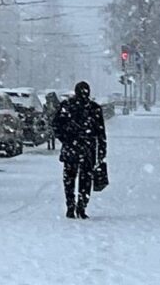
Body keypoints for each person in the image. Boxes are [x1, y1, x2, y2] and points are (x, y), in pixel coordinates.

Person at [52, 81, 106, 219]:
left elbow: (56, 125)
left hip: (71, 148)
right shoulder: (94, 108)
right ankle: (81, 206)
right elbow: (101, 133)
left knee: (69, 178)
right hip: (88, 149)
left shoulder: (67, 106)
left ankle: (71, 206)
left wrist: (65, 139)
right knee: (85, 179)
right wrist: (101, 151)